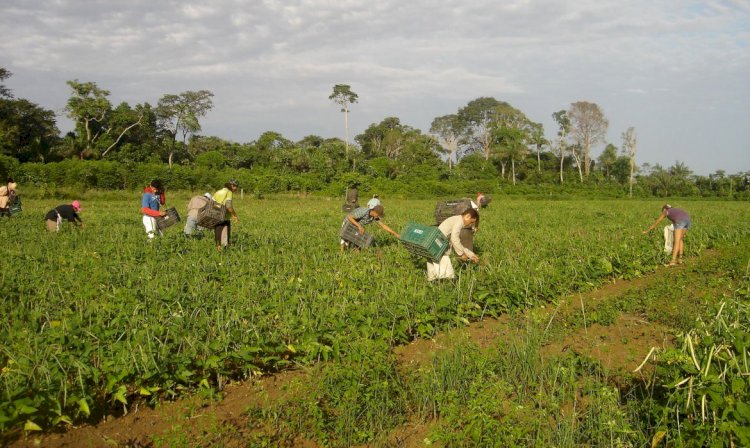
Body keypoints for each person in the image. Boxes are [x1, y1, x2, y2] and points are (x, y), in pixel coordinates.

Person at [428, 208, 480, 281]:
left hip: (433, 242)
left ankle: (433, 282)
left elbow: (457, 242)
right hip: (439, 245)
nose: (470, 224)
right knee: (447, 274)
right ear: (467, 216)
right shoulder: (460, 221)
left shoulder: (456, 219)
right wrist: (461, 254)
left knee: (433, 268)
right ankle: (445, 283)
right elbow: (454, 239)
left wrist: (471, 255)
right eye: (471, 222)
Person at [213, 180, 240, 250]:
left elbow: (211, 203)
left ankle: (218, 248)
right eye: (236, 187)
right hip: (224, 217)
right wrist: (234, 215)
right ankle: (225, 250)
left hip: (215, 215)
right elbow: (228, 206)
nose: (236, 189)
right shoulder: (229, 192)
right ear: (232, 186)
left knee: (217, 231)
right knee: (225, 233)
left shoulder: (218, 192)